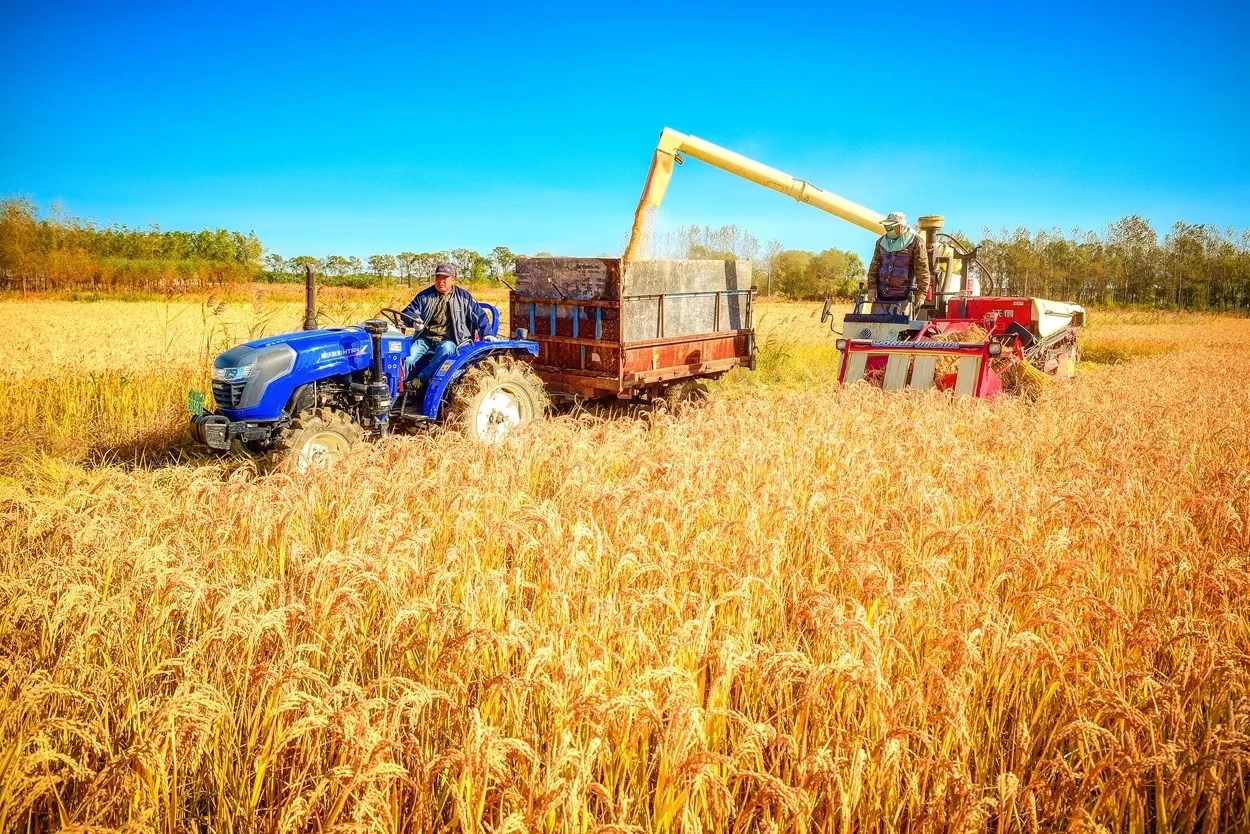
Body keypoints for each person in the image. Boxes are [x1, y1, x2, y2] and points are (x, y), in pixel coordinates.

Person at [400, 263, 491, 384]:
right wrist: (414, 320)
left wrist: (488, 334)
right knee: (407, 359)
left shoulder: (464, 297)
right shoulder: (424, 296)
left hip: (450, 339)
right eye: (438, 277)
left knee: (447, 350)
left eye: (445, 278)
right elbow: (407, 312)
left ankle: (419, 381)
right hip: (426, 337)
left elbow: (479, 316)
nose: (441, 281)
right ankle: (400, 387)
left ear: (453, 279)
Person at [866, 212, 931, 315]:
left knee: (899, 330)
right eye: (887, 226)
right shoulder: (881, 242)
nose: (888, 229)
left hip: (903, 299)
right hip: (880, 298)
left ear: (901, 226)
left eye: (891, 226)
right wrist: (872, 288)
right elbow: (874, 267)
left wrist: (921, 294)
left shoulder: (916, 242)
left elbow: (922, 271)